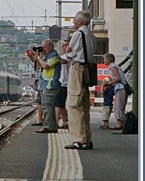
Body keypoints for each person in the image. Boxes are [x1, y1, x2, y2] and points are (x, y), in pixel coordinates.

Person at [60, 10, 95, 150]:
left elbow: (71, 54)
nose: (73, 22)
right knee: (84, 105)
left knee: (74, 105)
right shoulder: (91, 35)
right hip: (88, 70)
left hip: (77, 69)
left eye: (74, 20)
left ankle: (78, 140)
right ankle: (86, 139)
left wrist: (67, 51)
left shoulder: (78, 34)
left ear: (80, 21)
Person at [27, 39, 61, 133]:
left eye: (45, 47)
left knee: (47, 107)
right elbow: (38, 67)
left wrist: (38, 57)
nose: (43, 49)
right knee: (46, 106)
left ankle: (49, 127)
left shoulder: (54, 56)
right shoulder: (45, 56)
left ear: (51, 46)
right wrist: (33, 57)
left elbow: (46, 66)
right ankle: (51, 126)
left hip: (50, 84)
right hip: (44, 84)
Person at [102, 52, 126, 130]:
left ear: (109, 60)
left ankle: (120, 123)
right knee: (118, 105)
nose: (103, 61)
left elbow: (118, 78)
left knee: (118, 106)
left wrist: (110, 83)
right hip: (119, 87)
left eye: (104, 59)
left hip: (120, 87)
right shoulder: (114, 67)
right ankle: (120, 122)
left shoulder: (113, 67)